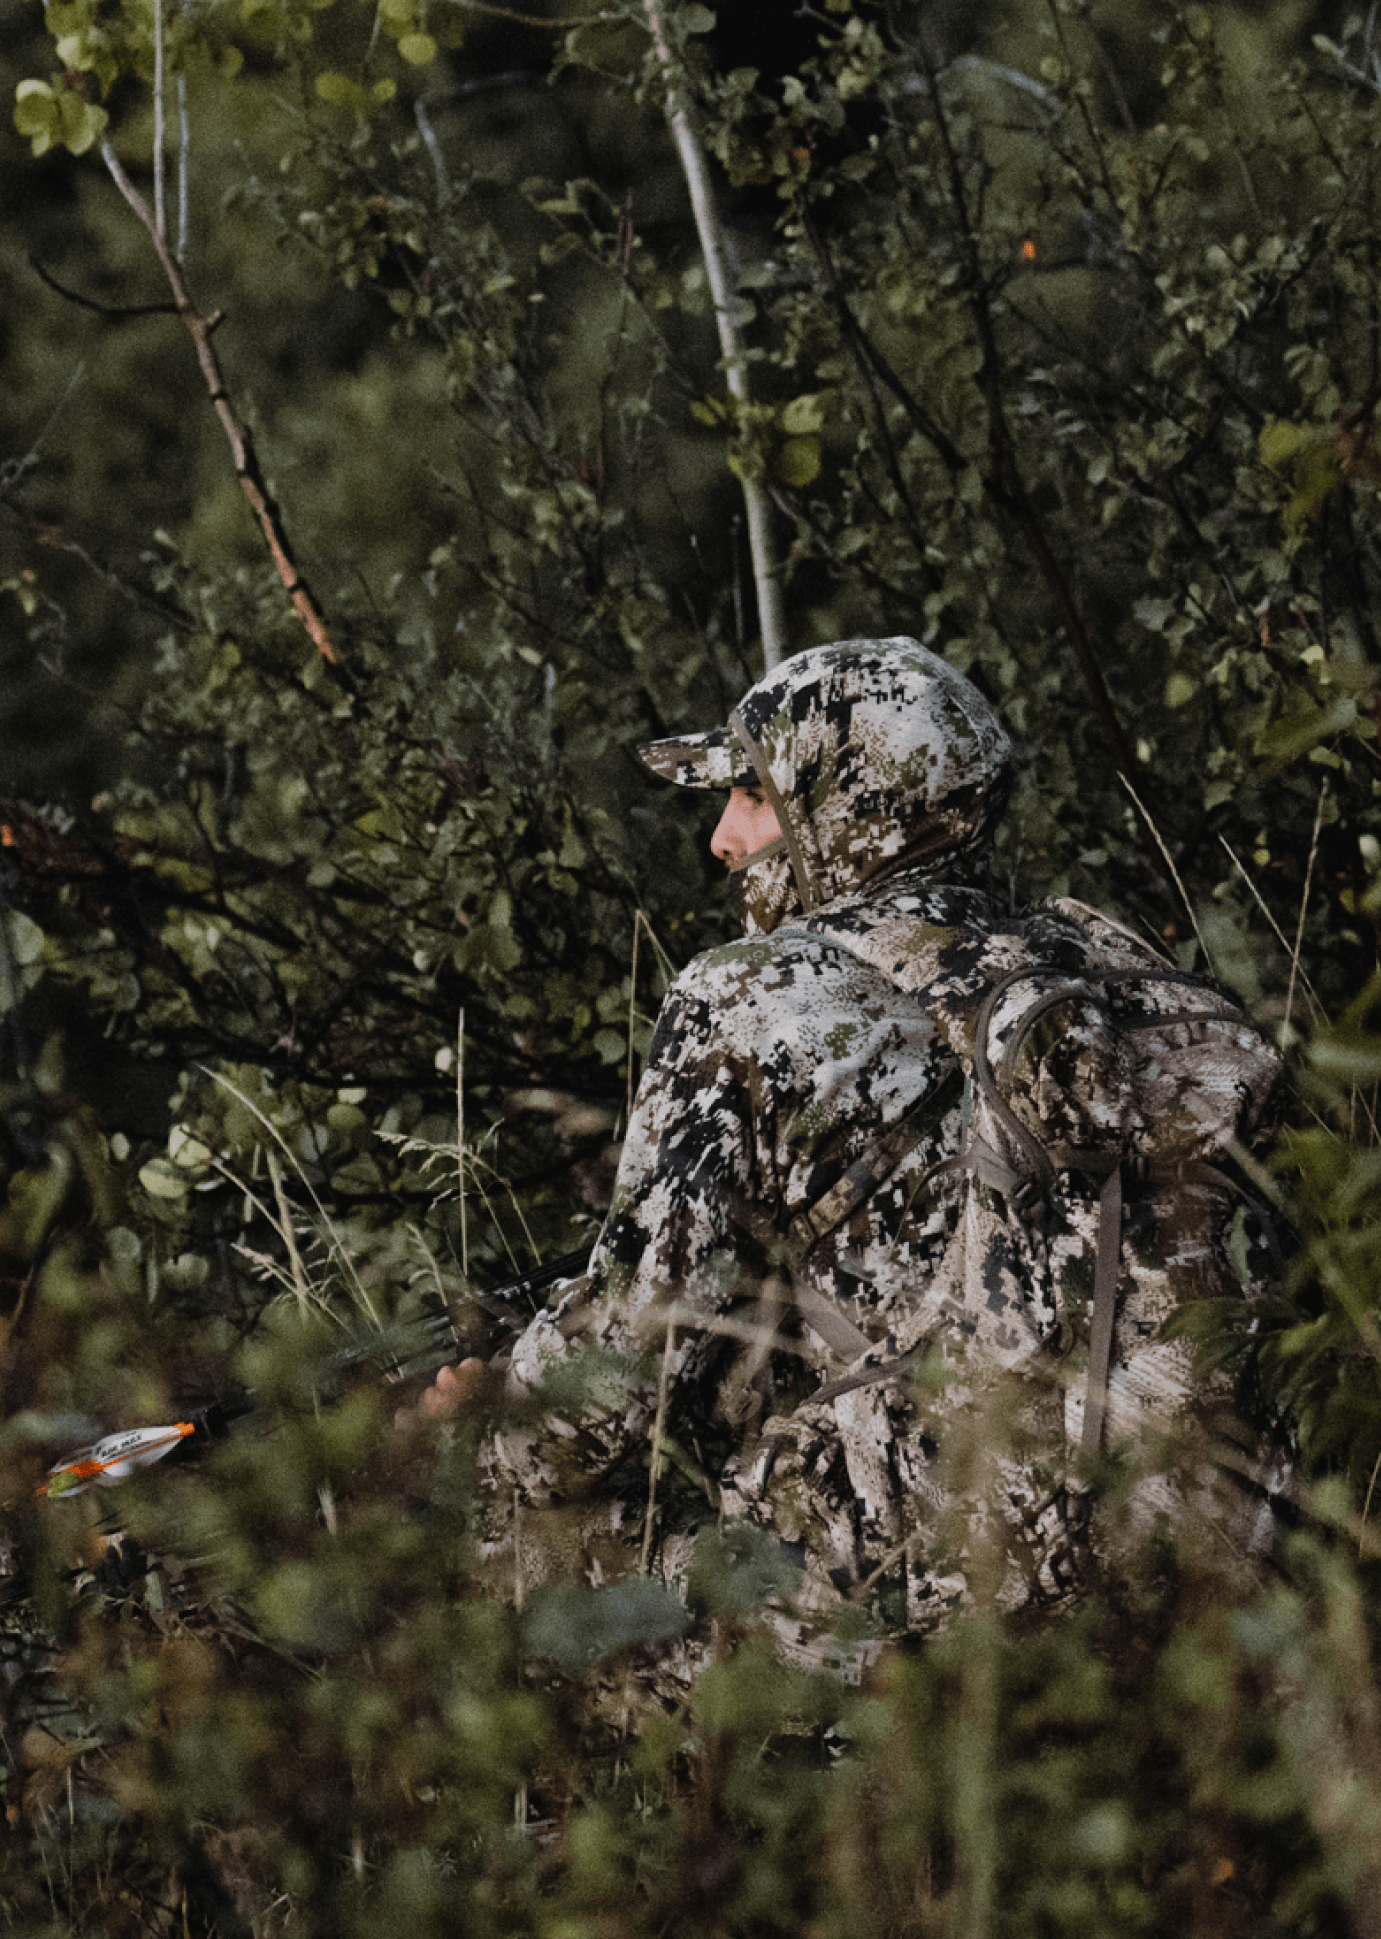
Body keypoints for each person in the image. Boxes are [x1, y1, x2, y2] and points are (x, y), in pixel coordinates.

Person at [478, 637, 1283, 1661]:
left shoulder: (749, 997)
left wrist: (480, 1415)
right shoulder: (1087, 963)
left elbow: (617, 1382)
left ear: (848, 810)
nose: (723, 838)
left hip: (954, 1589)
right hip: (1212, 1543)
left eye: (755, 795)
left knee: (518, 1541)